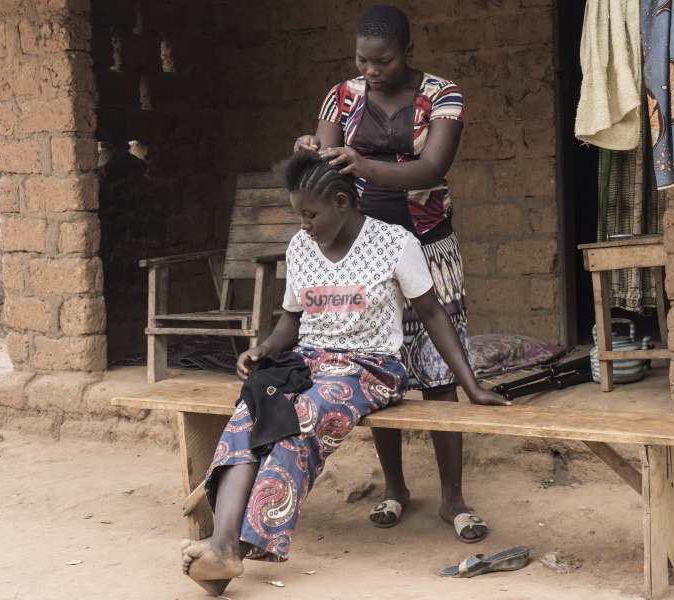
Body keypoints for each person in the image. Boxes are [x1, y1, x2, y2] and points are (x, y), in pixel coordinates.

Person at [179, 151, 509, 596]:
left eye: (309, 214)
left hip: (370, 366)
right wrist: (263, 349)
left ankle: (231, 549)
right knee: (249, 415)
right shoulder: (301, 247)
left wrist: (471, 386)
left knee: (300, 421)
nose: (304, 225)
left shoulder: (395, 243)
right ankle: (222, 545)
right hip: (305, 361)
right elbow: (291, 321)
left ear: (342, 202)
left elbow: (432, 315)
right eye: (299, 215)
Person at [294, 5, 486, 543]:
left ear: (408, 51)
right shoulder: (342, 95)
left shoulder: (443, 95)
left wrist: (361, 163)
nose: (372, 70)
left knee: (438, 371)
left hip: (429, 247)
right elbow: (323, 161)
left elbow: (432, 170)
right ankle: (395, 488)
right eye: (363, 60)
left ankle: (453, 498)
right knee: (379, 365)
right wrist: (308, 151)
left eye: (383, 60)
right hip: (366, 256)